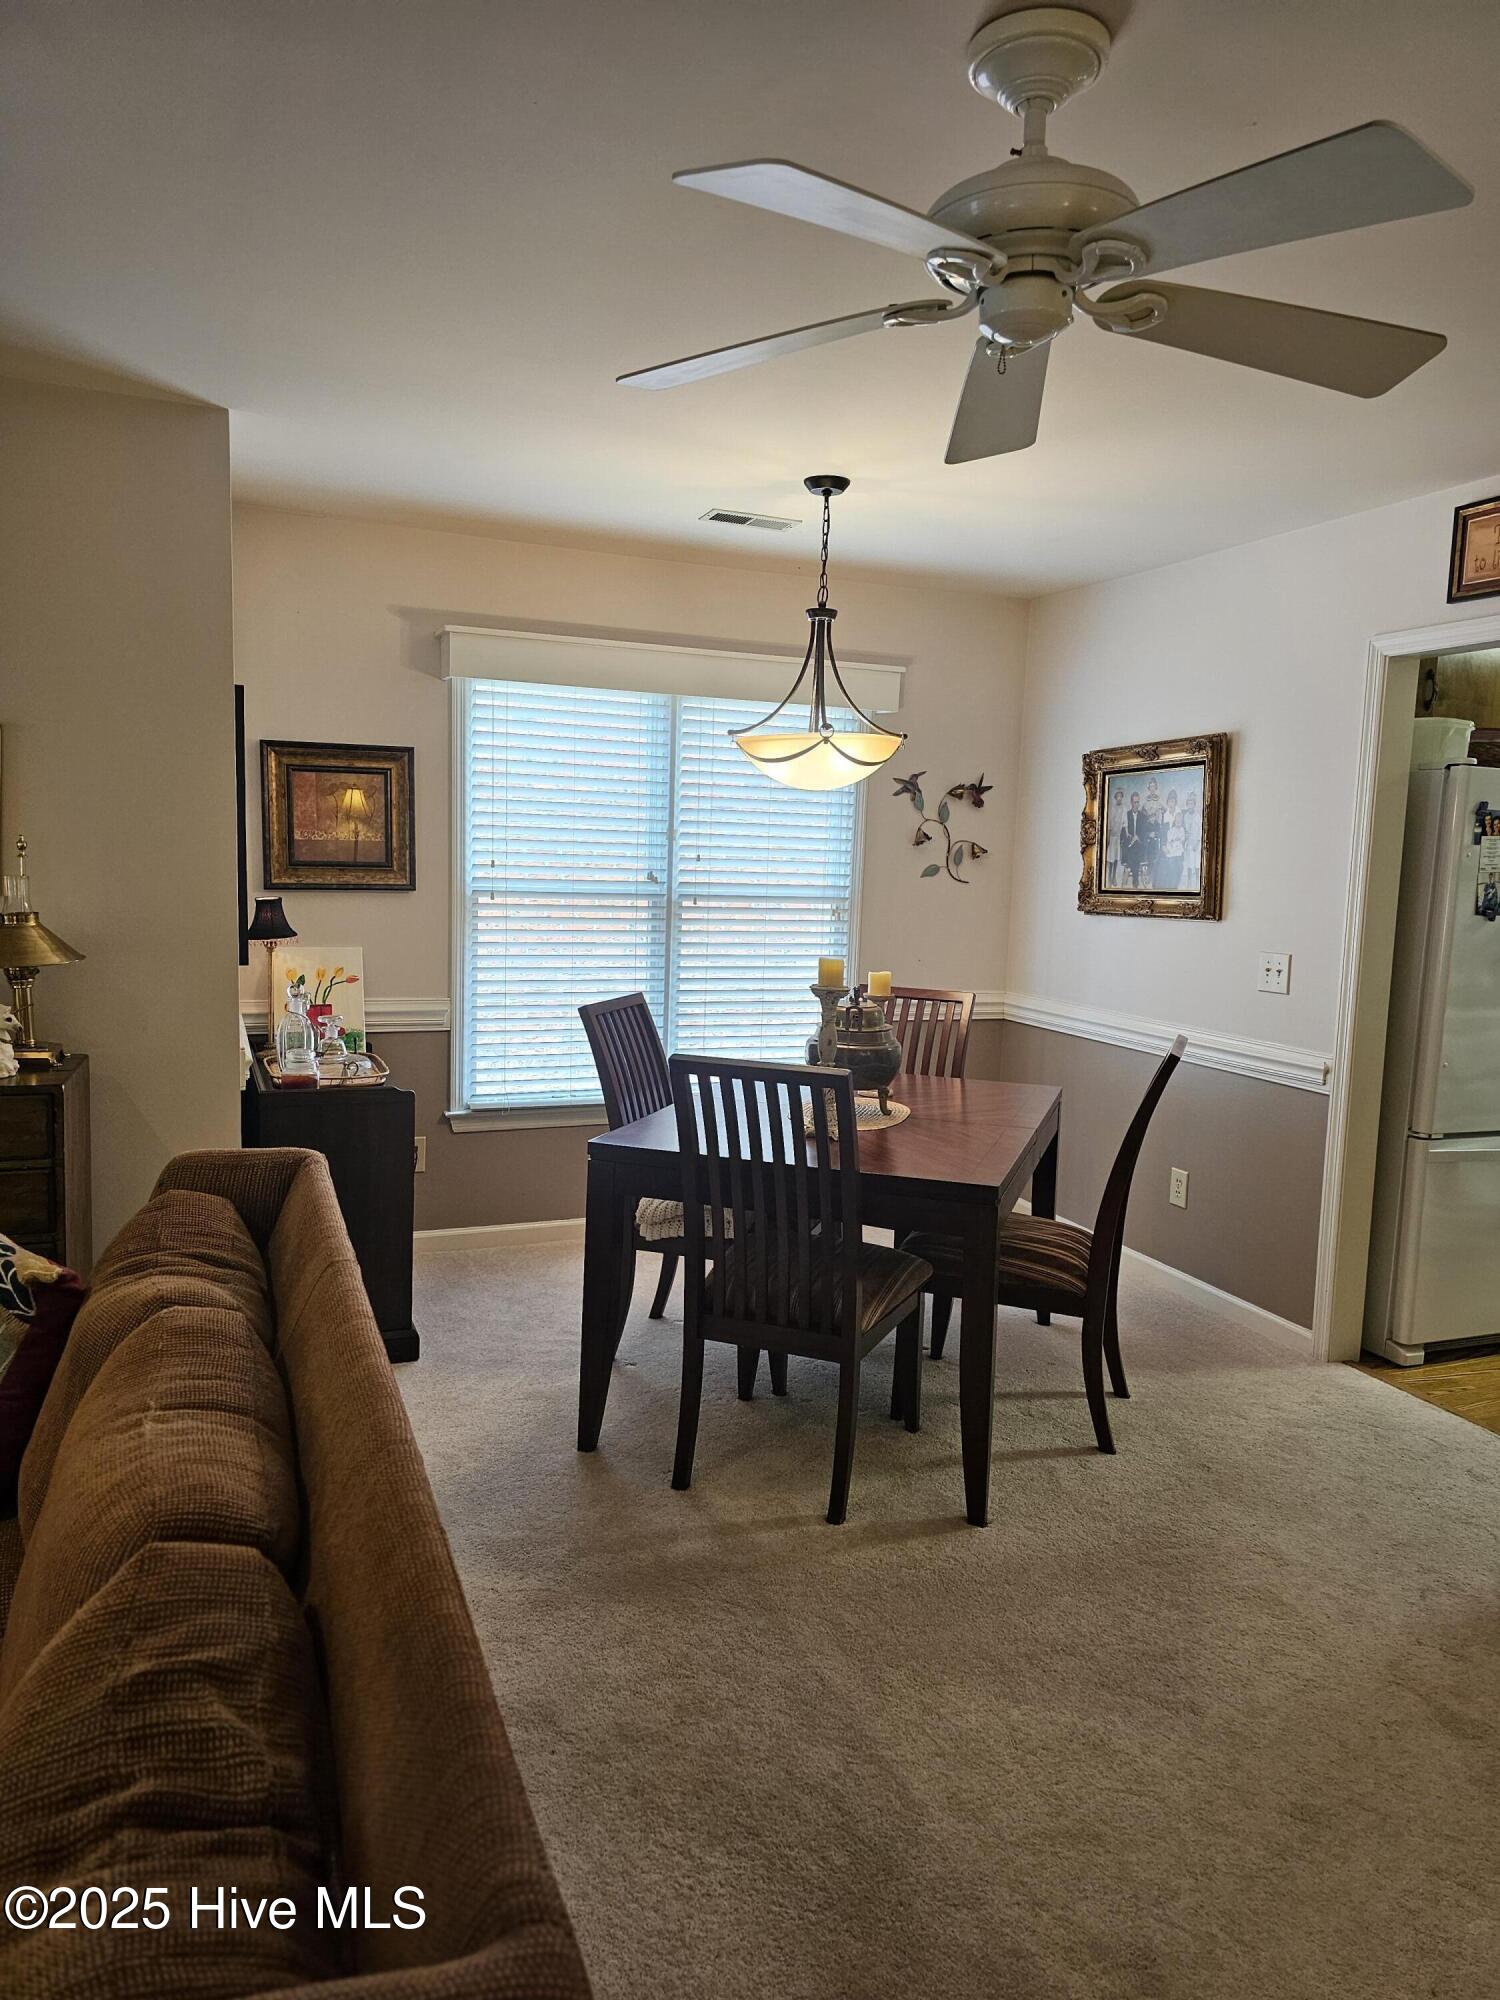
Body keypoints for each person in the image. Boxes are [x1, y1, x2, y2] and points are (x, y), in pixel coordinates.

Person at [1159, 788, 1185, 890]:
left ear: (1176, 802)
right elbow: (1163, 833)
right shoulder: (1165, 815)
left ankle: (1175, 887)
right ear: (1167, 803)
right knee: (1165, 865)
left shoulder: (1179, 813)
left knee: (1177, 866)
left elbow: (1183, 830)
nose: (1171, 804)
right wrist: (1163, 846)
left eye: (1173, 801)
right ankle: (1169, 888)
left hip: (1178, 845)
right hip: (1168, 844)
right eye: (1169, 801)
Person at [1139, 776, 1163, 890]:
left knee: (1155, 850)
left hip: (1156, 826)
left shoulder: (1159, 800)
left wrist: (1158, 813)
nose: (1152, 789)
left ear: (1156, 788)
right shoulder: (1145, 801)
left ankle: (1154, 875)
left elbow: (1163, 810)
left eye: (1154, 787)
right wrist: (1147, 816)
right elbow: (1143, 814)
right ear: (1149, 788)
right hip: (1148, 828)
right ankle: (1146, 872)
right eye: (1150, 787)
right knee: (1147, 844)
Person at [1120, 791, 1145, 886]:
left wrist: (1138, 837)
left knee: (1136, 851)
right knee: (1131, 850)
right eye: (1135, 802)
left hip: (1139, 843)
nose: (1137, 804)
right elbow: (1123, 832)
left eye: (1138, 802)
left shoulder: (1143, 816)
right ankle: (1135, 878)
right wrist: (1129, 837)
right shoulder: (1126, 815)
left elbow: (1144, 832)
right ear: (1131, 802)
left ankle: (1132, 874)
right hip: (1129, 843)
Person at [1180, 788, 1202, 892]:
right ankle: (1189, 880)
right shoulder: (1185, 816)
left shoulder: (1198, 816)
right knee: (1189, 861)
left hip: (1196, 842)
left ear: (1194, 804)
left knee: (1197, 862)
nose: (1190, 806)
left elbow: (1200, 831)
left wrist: (1197, 843)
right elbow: (1185, 829)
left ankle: (1198, 880)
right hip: (1189, 842)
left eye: (1192, 804)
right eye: (1188, 804)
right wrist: (1186, 840)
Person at [1106, 785, 1127, 885]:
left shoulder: (1124, 808)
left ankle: (1114, 877)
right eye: (1117, 796)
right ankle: (1109, 876)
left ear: (1122, 798)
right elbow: (1109, 822)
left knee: (1116, 858)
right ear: (1115, 798)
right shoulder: (1112, 808)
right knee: (1110, 858)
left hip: (1118, 837)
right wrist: (1108, 836)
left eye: (1120, 796)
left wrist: (1124, 834)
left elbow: (1125, 823)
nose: (1119, 798)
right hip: (1112, 836)